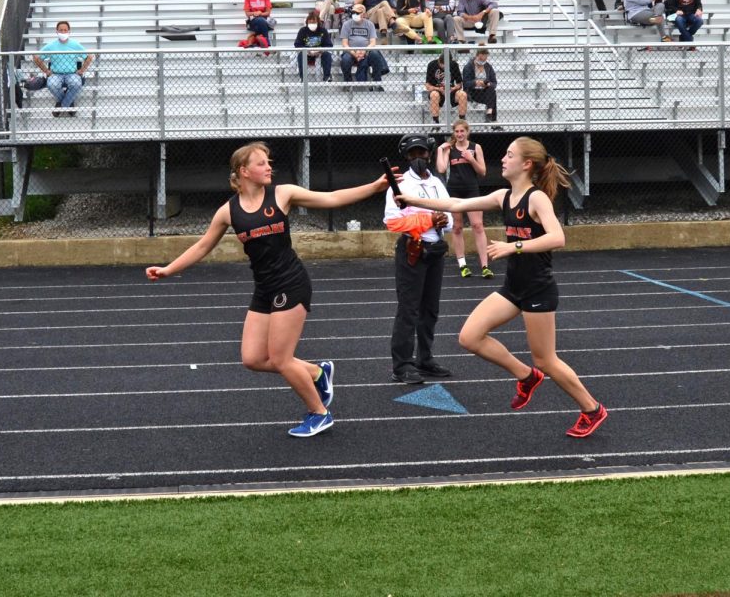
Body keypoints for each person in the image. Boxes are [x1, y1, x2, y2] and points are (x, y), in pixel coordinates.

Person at [145, 142, 397, 437]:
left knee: (280, 358)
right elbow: (202, 246)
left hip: (291, 282)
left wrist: (375, 186)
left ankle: (320, 413)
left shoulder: (282, 194)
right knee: (252, 358)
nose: (269, 167)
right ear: (244, 171)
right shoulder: (228, 211)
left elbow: (331, 198)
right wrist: (168, 269)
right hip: (265, 287)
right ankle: (317, 372)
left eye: (269, 162)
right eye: (262, 163)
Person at [394, 136, 608, 438]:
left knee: (547, 359)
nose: (503, 159)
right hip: (512, 288)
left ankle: (592, 409)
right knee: (469, 337)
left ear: (526, 164)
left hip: (537, 290)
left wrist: (513, 247)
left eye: (509, 155)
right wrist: (413, 200)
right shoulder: (502, 196)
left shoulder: (536, 198)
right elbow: (456, 203)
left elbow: (558, 238)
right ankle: (525, 376)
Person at [383, 134, 453, 384]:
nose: (417, 158)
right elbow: (392, 221)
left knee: (430, 309)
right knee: (408, 309)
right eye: (412, 154)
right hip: (413, 249)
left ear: (429, 153)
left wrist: (444, 220)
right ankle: (401, 365)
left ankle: (425, 358)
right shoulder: (399, 184)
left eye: (421, 153)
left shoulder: (437, 182)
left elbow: (451, 214)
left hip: (435, 249)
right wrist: (429, 220)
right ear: (406, 156)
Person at [435, 120, 492, 279]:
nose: (459, 134)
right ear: (454, 133)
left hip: (472, 190)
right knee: (457, 227)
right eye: (457, 132)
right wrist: (440, 150)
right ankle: (463, 265)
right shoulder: (450, 148)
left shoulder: (476, 147)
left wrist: (471, 159)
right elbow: (441, 168)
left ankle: (485, 266)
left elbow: (483, 172)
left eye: (462, 131)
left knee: (478, 225)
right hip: (454, 191)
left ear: (467, 132)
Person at [32, 21, 93, 117]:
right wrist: (46, 71)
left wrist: (81, 70)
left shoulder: (75, 45)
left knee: (76, 83)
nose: (63, 32)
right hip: (56, 74)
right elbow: (36, 57)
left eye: (65, 30)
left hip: (72, 73)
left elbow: (89, 57)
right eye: (61, 30)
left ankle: (61, 105)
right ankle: (69, 103)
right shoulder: (51, 45)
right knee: (51, 84)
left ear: (69, 31)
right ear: (57, 31)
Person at [339, 4, 387, 85]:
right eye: (353, 12)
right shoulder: (346, 24)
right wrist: (354, 53)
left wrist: (364, 51)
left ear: (363, 14)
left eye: (357, 13)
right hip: (350, 51)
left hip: (366, 51)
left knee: (375, 54)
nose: (354, 14)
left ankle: (377, 81)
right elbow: (345, 44)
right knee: (345, 59)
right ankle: (348, 82)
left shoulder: (369, 24)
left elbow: (373, 42)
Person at [462, 46, 501, 130]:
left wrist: (487, 84)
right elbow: (465, 83)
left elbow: (494, 83)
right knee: (492, 95)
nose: (484, 60)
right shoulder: (469, 66)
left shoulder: (488, 67)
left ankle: (489, 112)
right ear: (478, 55)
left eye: (486, 58)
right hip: (473, 92)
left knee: (491, 90)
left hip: (485, 92)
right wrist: (476, 82)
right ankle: (493, 120)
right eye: (482, 58)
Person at [425, 54, 467, 130]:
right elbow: (428, 85)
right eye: (442, 65)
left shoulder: (454, 65)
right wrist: (438, 89)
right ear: (439, 61)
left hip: (451, 90)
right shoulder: (432, 64)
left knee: (462, 94)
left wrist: (452, 88)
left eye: (447, 65)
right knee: (434, 95)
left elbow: (460, 84)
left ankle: (462, 121)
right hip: (437, 90)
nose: (444, 67)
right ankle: (436, 123)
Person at [294, 10, 334, 81]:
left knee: (327, 55)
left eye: (314, 22)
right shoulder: (302, 30)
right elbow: (297, 44)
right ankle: (302, 78)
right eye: (310, 22)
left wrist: (320, 50)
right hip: (307, 53)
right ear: (307, 23)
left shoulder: (323, 30)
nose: (312, 24)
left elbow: (329, 44)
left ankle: (327, 77)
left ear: (318, 22)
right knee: (301, 55)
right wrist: (308, 51)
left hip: (320, 53)